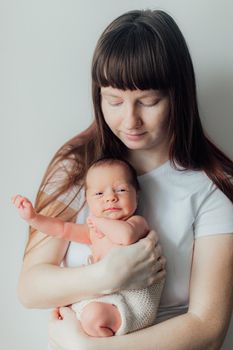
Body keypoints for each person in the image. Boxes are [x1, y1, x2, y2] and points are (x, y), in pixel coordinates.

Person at [17, 9, 233, 350]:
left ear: (179, 95)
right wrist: (110, 274)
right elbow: (31, 287)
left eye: (149, 101)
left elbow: (208, 328)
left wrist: (90, 348)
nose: (130, 120)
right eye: (114, 100)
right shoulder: (78, 168)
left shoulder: (210, 188)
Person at [13, 158, 164, 337]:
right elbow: (62, 229)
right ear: (88, 200)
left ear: (136, 196)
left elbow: (125, 236)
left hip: (131, 300)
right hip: (104, 296)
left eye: (121, 190)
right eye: (99, 194)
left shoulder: (136, 223)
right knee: (68, 312)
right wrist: (34, 218)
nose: (110, 198)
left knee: (93, 317)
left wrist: (98, 221)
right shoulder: (93, 230)